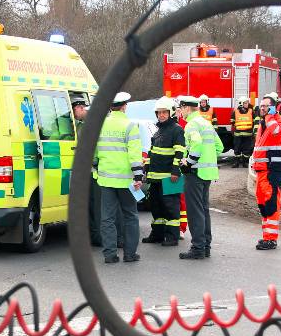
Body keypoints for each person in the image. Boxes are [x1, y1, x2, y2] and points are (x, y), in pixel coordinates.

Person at [95, 91, 144, 263]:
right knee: (130, 215)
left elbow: (93, 152)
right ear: (124, 106)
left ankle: (110, 254)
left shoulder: (100, 125)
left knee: (107, 218)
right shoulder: (130, 125)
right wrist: (138, 175)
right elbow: (134, 153)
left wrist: (97, 166)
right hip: (126, 180)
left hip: (106, 179)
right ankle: (130, 254)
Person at [177, 95, 222, 260]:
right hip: (207, 174)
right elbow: (219, 147)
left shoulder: (191, 125)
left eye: (181, 108)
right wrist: (207, 159)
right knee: (203, 210)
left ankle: (197, 248)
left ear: (187, 108)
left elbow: (196, 145)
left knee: (195, 212)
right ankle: (205, 247)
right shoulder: (206, 123)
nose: (180, 112)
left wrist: (188, 162)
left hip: (194, 174)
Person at [141, 97, 185, 247]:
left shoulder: (177, 130)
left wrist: (175, 171)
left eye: (164, 112)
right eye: (159, 113)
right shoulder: (158, 130)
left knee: (171, 208)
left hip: (171, 177)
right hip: (155, 177)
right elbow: (152, 152)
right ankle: (158, 234)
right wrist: (146, 168)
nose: (161, 115)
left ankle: (172, 236)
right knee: (156, 207)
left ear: (171, 112)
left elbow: (180, 152)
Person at [252, 93, 281, 250]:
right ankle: (266, 236)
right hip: (261, 170)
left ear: (274, 108)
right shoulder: (262, 124)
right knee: (263, 205)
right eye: (261, 106)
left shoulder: (279, 122)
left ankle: (271, 239)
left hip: (271, 171)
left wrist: (271, 116)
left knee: (271, 204)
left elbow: (275, 131)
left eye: (266, 106)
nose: (262, 108)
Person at [73, 96, 103, 246]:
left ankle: (97, 236)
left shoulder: (94, 126)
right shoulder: (80, 125)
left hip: (96, 171)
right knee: (89, 206)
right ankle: (93, 235)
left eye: (74, 110)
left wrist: (94, 161)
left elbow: (96, 150)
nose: (74, 114)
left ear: (80, 107)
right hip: (88, 172)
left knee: (95, 206)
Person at [228, 96, 255, 168]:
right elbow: (232, 121)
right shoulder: (236, 111)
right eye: (245, 103)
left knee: (247, 149)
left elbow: (254, 121)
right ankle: (236, 162)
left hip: (248, 134)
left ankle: (245, 162)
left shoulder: (251, 111)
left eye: (247, 103)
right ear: (241, 104)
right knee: (237, 149)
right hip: (238, 134)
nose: (247, 104)